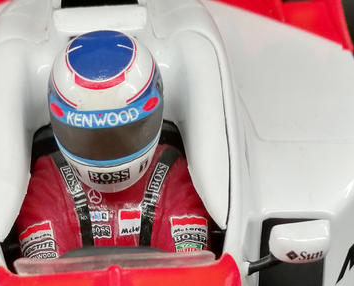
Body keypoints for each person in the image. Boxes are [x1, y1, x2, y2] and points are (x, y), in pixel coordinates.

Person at [16, 30, 212, 260]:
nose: (106, 148)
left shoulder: (172, 178)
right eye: (89, 136)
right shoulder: (48, 188)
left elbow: (190, 271)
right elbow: (43, 278)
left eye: (126, 131)